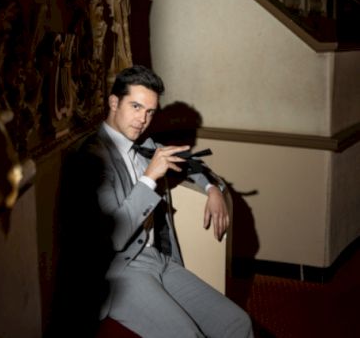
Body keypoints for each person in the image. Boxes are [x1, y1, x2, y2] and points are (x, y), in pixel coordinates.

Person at [52, 65, 253, 338]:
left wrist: (213, 189)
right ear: (114, 102)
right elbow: (115, 237)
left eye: (149, 112)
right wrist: (149, 178)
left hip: (160, 260)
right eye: (135, 107)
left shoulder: (145, 146)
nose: (142, 119)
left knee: (238, 324)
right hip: (119, 273)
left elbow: (192, 162)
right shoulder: (90, 158)